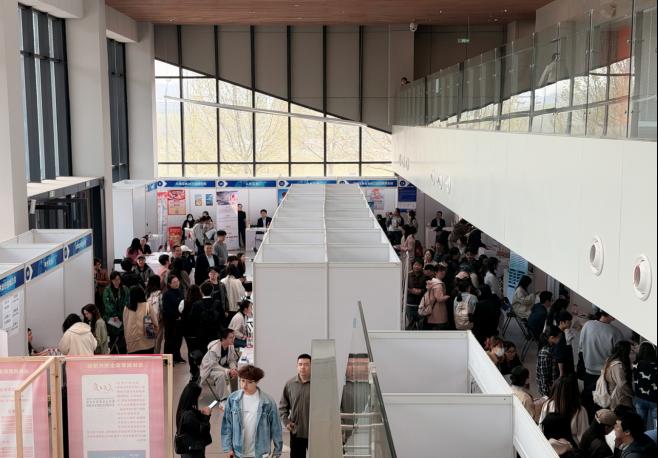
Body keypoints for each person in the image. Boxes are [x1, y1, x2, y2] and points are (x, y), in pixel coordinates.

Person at [221, 365, 283, 458]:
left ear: (257, 382)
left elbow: (276, 428)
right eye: (242, 381)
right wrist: (228, 448)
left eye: (249, 382)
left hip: (261, 453)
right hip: (238, 453)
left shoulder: (268, 402)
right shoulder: (233, 399)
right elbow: (227, 425)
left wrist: (277, 452)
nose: (244, 385)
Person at [580, 310, 625, 418]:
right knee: (602, 402)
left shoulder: (587, 325)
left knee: (588, 399)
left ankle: (587, 421)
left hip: (588, 370)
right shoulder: (615, 332)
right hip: (605, 374)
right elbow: (619, 356)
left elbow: (581, 346)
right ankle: (599, 423)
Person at [539, 374, 590, 444]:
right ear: (574, 392)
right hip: (571, 448)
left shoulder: (547, 405)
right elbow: (583, 438)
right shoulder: (579, 410)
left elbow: (541, 429)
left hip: (549, 446)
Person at [279, 354, 312, 458]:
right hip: (296, 432)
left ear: (311, 366)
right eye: (300, 364)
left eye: (306, 364)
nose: (303, 367)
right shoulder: (290, 384)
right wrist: (287, 422)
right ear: (297, 366)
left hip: (314, 432)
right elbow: (283, 407)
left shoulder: (318, 385)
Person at [175, 380, 213, 458]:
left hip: (189, 452)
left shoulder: (183, 410)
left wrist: (200, 413)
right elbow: (203, 432)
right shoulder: (189, 416)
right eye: (199, 395)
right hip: (193, 453)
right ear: (193, 397)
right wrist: (206, 416)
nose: (201, 397)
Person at [200, 328, 240, 400]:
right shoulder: (214, 349)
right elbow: (213, 365)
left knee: (235, 372)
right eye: (231, 337)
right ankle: (224, 398)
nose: (233, 339)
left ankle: (234, 394)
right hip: (209, 369)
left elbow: (231, 360)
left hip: (220, 366)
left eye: (233, 337)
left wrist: (233, 369)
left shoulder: (230, 346)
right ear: (223, 339)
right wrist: (228, 371)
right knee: (220, 375)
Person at [599, 341, 634, 411]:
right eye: (631, 351)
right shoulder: (617, 366)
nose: (632, 353)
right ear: (625, 352)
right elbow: (622, 384)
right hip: (619, 399)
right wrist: (632, 394)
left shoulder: (610, 360)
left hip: (613, 395)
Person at [123, 286, 158, 354]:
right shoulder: (147, 306)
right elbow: (155, 323)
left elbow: (125, 325)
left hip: (132, 343)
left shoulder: (126, 308)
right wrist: (155, 333)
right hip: (147, 341)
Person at [102, 271, 129, 353]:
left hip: (123, 316)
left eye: (118, 279)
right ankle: (113, 353)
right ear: (111, 280)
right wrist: (114, 315)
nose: (117, 281)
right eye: (114, 280)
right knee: (113, 336)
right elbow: (107, 304)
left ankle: (123, 353)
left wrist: (121, 315)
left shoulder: (125, 289)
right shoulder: (107, 290)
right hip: (112, 317)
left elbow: (127, 302)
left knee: (122, 336)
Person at [632, 342, 657, 431]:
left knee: (640, 425)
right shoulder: (655, 366)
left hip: (640, 398)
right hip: (655, 399)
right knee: (656, 427)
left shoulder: (635, 364)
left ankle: (640, 438)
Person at [163, 273, 185, 364]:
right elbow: (167, 309)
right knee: (170, 340)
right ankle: (167, 359)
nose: (176, 283)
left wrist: (181, 316)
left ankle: (177, 356)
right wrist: (176, 316)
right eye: (174, 282)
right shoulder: (167, 294)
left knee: (178, 339)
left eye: (177, 281)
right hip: (170, 321)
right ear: (169, 284)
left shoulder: (181, 291)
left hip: (180, 320)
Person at [537, 326, 563, 397]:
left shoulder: (552, 347)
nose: (560, 339)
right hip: (549, 389)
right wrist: (547, 393)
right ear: (552, 338)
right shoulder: (544, 354)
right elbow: (544, 376)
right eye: (558, 337)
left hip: (554, 385)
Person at [424, 264, 451, 330]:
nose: (443, 272)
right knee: (438, 330)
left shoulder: (432, 282)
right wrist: (448, 296)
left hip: (432, 310)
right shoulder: (438, 285)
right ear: (435, 272)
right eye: (441, 271)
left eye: (444, 270)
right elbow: (439, 299)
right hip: (439, 312)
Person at [181, 285, 204, 359]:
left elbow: (180, 311)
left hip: (187, 330)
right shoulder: (202, 302)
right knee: (199, 347)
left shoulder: (184, 302)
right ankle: (198, 362)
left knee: (190, 348)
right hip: (199, 329)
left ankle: (192, 365)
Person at [145, 275, 164, 353]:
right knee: (157, 341)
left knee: (149, 341)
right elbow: (162, 307)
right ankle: (156, 356)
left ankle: (150, 356)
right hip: (158, 320)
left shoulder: (146, 293)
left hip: (147, 319)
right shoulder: (159, 294)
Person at [405, 260, 426, 329]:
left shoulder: (425, 276)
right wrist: (411, 291)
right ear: (412, 266)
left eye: (419, 265)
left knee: (421, 323)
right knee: (411, 323)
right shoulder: (408, 275)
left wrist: (421, 291)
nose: (417, 266)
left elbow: (427, 289)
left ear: (422, 266)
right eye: (415, 265)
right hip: (410, 303)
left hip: (421, 304)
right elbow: (403, 287)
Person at [554, 311, 575, 376]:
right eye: (568, 322)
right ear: (561, 322)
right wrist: (561, 373)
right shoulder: (560, 336)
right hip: (564, 368)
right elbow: (560, 357)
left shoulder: (560, 332)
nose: (570, 324)